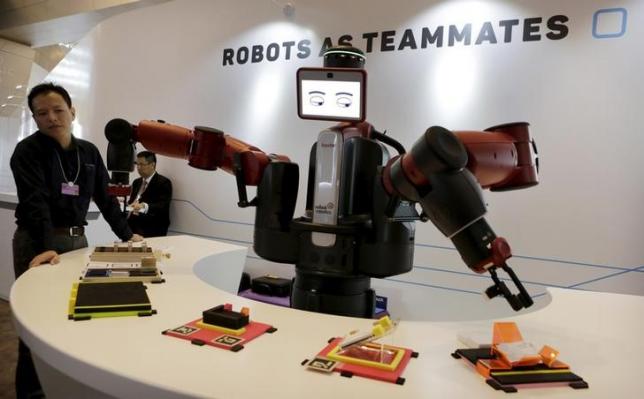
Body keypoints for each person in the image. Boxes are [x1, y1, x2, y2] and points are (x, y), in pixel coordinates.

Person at [10, 82, 143, 398]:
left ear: (72, 110)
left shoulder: (89, 152)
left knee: (74, 315)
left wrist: (128, 236)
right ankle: (31, 392)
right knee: (36, 323)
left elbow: (107, 199)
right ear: (35, 118)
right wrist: (45, 247)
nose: (51, 118)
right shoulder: (28, 151)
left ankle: (64, 387)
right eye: (42, 113)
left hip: (77, 242)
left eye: (58, 110)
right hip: (37, 243)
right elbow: (36, 201)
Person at [127, 151, 172, 237]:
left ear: (152, 165)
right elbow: (131, 202)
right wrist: (128, 206)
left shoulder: (163, 182)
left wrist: (144, 206)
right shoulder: (136, 182)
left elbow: (163, 205)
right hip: (133, 227)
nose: (138, 167)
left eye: (142, 164)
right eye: (137, 164)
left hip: (153, 227)